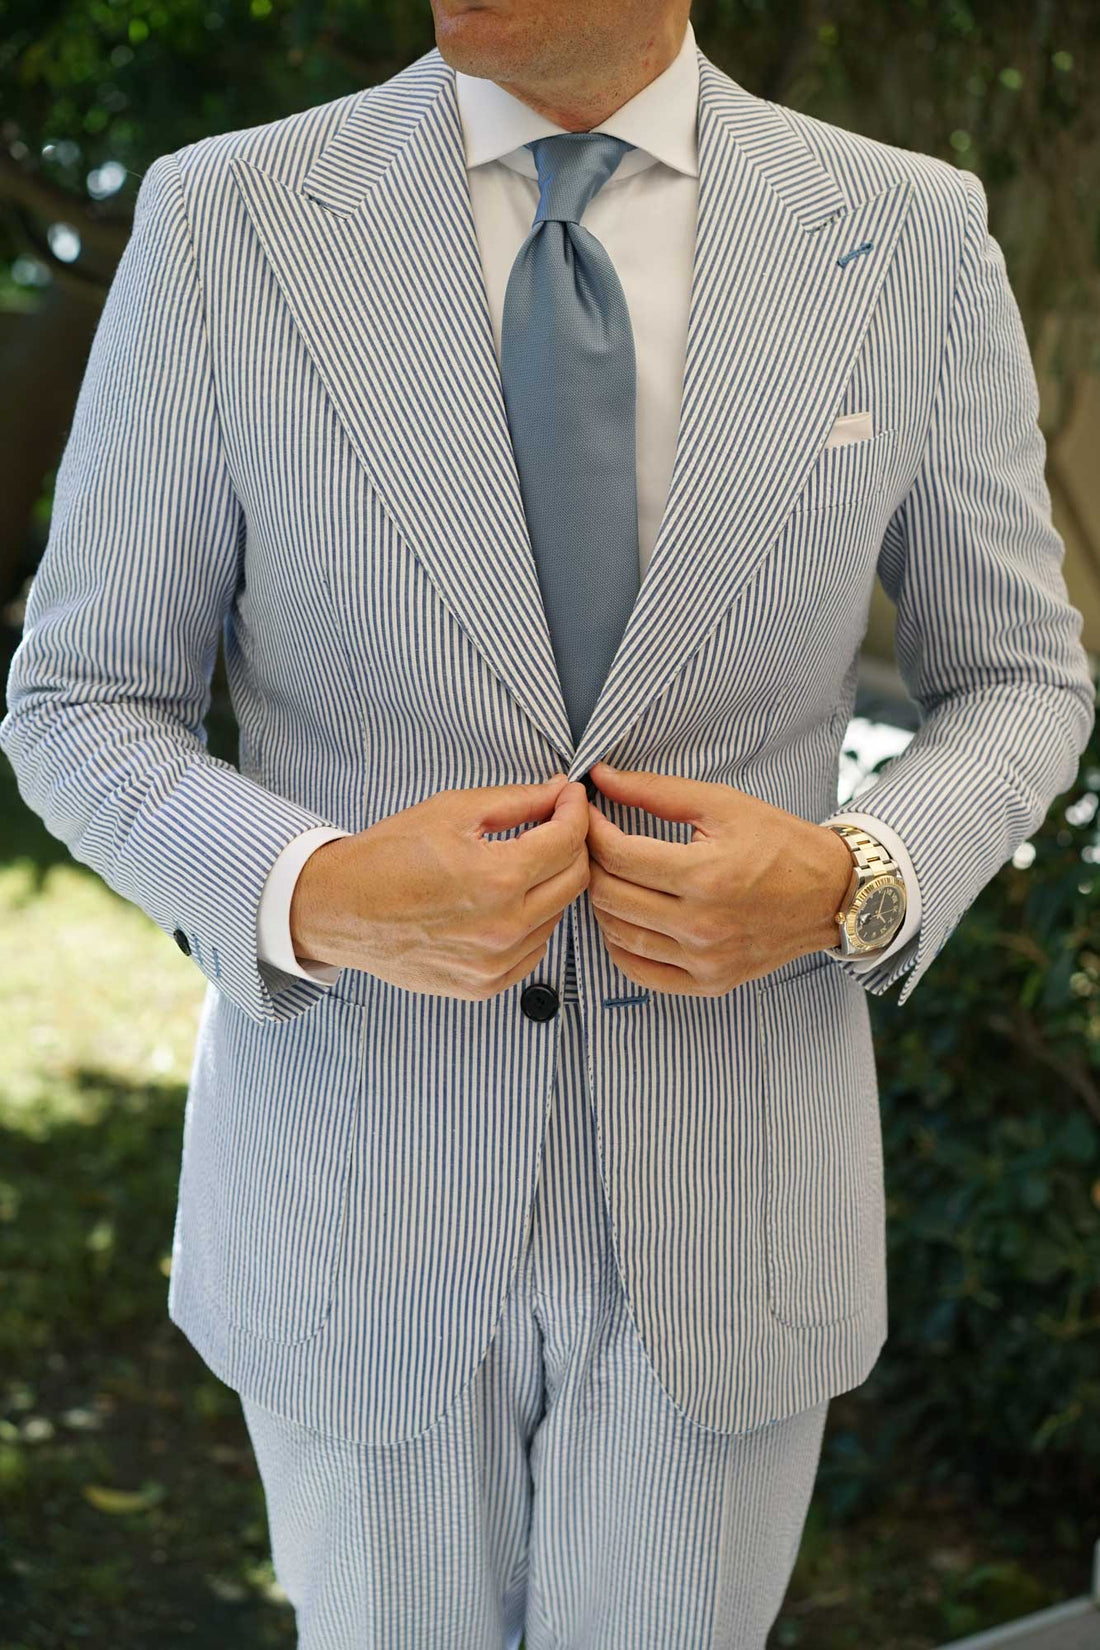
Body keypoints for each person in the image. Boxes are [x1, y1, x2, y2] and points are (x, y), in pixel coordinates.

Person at [1, 2, 1093, 1645]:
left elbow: (1019, 676)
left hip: (735, 1208)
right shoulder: (228, 220)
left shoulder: (909, 234)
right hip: (355, 1197)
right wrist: (314, 890)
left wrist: (851, 877)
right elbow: (80, 698)